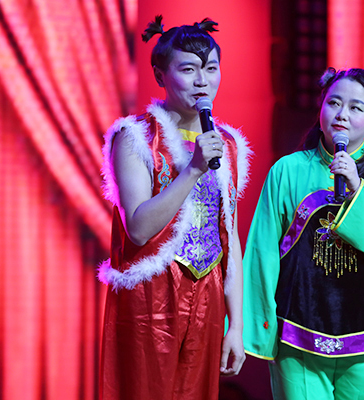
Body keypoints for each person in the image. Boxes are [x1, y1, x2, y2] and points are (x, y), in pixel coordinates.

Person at [242, 67, 364, 399]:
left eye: (356, 107)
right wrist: (254, 329)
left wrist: (358, 188)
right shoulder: (287, 171)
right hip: (299, 334)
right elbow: (262, 253)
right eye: (334, 103)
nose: (342, 114)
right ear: (321, 108)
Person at [98, 15, 250, 400]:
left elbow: (229, 237)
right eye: (188, 69)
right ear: (160, 75)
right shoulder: (136, 137)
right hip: (151, 295)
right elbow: (138, 229)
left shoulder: (228, 145)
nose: (202, 81)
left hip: (208, 293)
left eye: (211, 69)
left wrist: (236, 325)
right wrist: (194, 169)